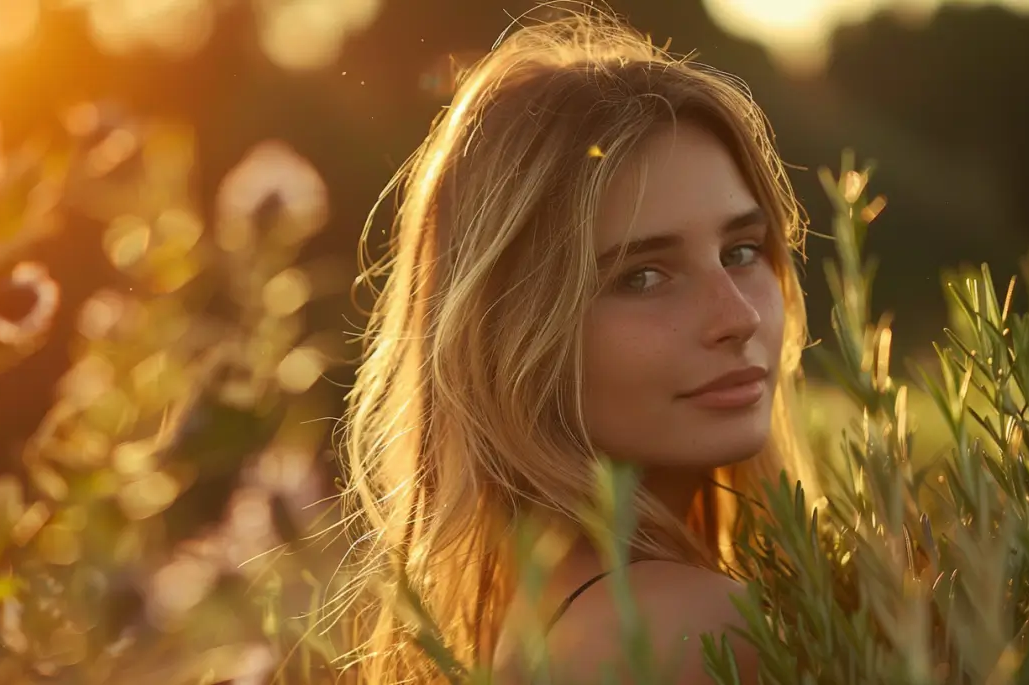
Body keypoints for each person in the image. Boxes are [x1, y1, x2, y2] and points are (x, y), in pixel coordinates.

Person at [335, 6, 817, 684]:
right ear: (513, 334)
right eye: (642, 276)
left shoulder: (550, 621)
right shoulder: (689, 628)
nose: (736, 316)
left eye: (740, 251)